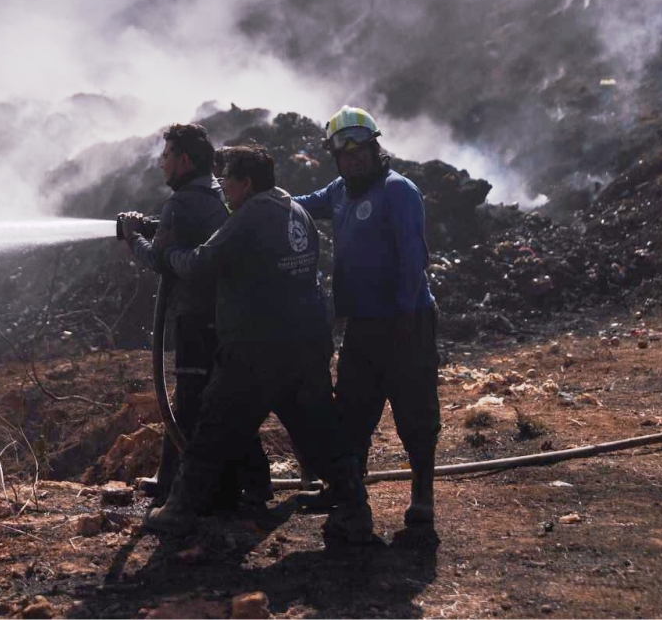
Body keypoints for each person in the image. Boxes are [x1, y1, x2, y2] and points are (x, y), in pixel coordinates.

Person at [144, 146, 373, 544]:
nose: (223, 189)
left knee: (212, 429)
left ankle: (178, 510)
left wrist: (170, 252)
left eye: (227, 182)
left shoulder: (250, 215)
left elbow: (200, 264)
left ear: (246, 183)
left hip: (256, 350)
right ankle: (355, 509)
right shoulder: (293, 210)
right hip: (306, 345)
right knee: (319, 431)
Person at [293, 105, 441, 529]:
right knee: (352, 412)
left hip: (405, 320)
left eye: (359, 150)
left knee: (414, 411)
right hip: (361, 324)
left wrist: (404, 317)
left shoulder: (398, 191)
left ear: (375, 148)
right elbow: (301, 204)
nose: (352, 158)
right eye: (344, 153)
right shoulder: (339, 192)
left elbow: (413, 260)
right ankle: (348, 494)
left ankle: (422, 497)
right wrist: (262, 201)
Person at [118, 124, 272, 510]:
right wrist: (155, 226)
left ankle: (195, 491)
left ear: (184, 160)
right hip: (225, 315)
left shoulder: (181, 203)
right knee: (220, 396)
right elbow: (193, 232)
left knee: (191, 402)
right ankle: (209, 481)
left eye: (166, 156)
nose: (161, 163)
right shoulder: (218, 193)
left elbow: (158, 258)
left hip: (195, 319)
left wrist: (132, 236)